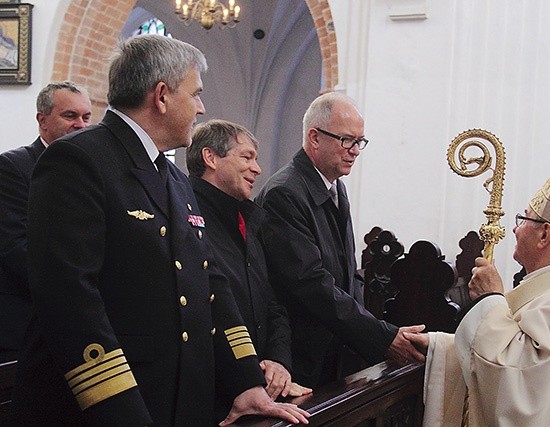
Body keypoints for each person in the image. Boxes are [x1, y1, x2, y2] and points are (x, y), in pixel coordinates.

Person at [11, 35, 308, 426]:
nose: (202, 107)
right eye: (196, 94)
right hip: (108, 406)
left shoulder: (172, 176)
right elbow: (69, 298)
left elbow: (209, 282)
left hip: (176, 400)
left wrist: (245, 382)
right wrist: (121, 410)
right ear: (162, 96)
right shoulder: (78, 160)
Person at [406, 127, 550, 426]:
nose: (515, 229)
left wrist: (490, 299)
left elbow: (517, 386)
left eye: (523, 219)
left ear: (544, 234)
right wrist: (439, 346)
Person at [255, 92, 425, 388]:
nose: (355, 150)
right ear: (315, 137)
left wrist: (374, 335)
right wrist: (380, 337)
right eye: (347, 140)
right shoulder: (285, 194)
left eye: (360, 141)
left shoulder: (335, 187)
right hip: (300, 358)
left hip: (335, 352)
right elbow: (311, 284)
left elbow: (346, 275)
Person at [187, 119, 313, 419]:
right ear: (211, 158)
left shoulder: (249, 219)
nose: (257, 168)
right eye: (246, 157)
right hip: (213, 393)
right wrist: (245, 374)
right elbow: (205, 312)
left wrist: (278, 361)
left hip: (259, 388)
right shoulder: (187, 215)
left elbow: (272, 303)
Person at [0, 81, 91, 363]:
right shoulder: (14, 167)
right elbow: (16, 249)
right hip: (27, 327)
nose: (80, 125)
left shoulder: (91, 173)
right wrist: (79, 289)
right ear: (42, 120)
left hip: (80, 327)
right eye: (70, 116)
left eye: (86, 117)